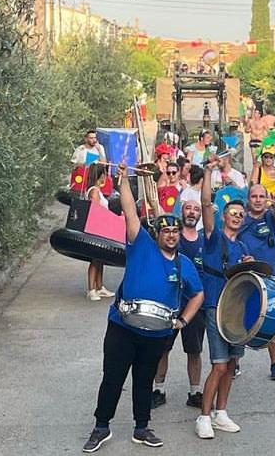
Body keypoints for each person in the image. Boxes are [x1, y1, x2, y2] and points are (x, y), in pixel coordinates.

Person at [82, 164, 204, 453]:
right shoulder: (141, 244)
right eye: (167, 231)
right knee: (113, 377)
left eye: (175, 232)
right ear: (158, 234)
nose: (172, 236)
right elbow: (128, 209)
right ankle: (101, 427)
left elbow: (197, 295)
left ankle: (141, 427)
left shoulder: (183, 265)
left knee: (144, 381)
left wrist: (183, 322)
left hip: (155, 332)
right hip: (123, 326)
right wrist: (124, 180)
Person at [195, 157, 253, 439]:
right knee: (219, 364)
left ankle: (221, 412)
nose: (237, 216)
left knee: (231, 364)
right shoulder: (213, 236)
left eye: (241, 214)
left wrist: (250, 265)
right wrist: (208, 172)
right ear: (224, 216)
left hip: (235, 311)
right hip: (214, 307)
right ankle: (204, 416)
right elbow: (206, 204)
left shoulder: (242, 245)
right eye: (233, 212)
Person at [151, 200, 206, 410]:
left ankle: (195, 392)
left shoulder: (203, 239)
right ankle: (159, 389)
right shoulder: (169, 237)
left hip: (193, 306)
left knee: (194, 351)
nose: (192, 212)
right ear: (181, 211)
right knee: (162, 350)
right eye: (188, 208)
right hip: (168, 305)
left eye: (196, 209)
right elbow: (156, 221)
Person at [238, 185, 275, 381]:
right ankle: (235, 362)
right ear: (248, 199)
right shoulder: (241, 220)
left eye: (261, 196)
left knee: (273, 320)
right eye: (254, 196)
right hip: (245, 278)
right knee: (240, 320)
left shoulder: (271, 219)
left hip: (270, 279)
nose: (258, 200)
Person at [85, 163, 114, 301]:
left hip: (102, 227)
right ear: (100, 175)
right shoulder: (94, 192)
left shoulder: (96, 190)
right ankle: (91, 289)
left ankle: (100, 286)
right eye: (104, 175)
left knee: (100, 258)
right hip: (97, 228)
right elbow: (96, 211)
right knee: (95, 259)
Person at [179, 165, 204, 230]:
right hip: (192, 228)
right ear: (202, 179)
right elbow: (181, 210)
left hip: (202, 227)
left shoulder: (203, 193)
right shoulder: (187, 192)